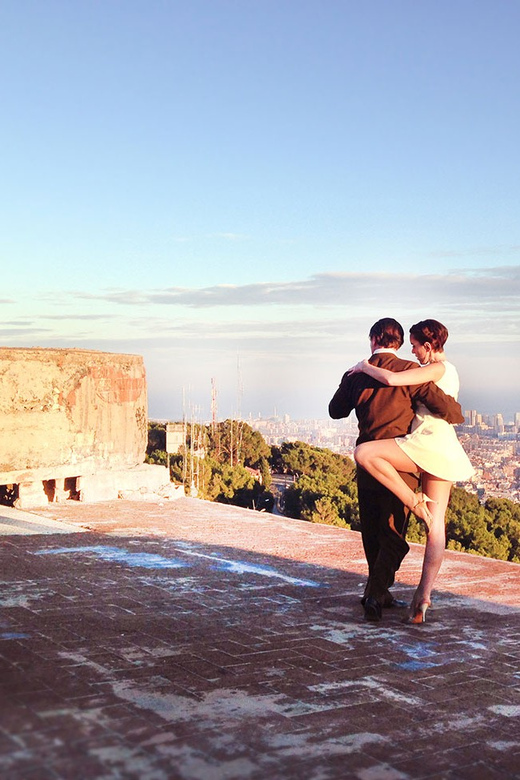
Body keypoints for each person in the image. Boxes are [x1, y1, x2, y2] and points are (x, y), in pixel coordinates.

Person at [329, 318, 465, 623]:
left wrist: (350, 380)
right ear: (400, 341)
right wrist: (457, 413)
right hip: (401, 461)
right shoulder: (408, 371)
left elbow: (335, 411)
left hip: (371, 461)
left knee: (372, 529)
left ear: (374, 338)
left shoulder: (356, 373)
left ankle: (377, 592)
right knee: (393, 531)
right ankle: (379, 593)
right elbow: (446, 408)